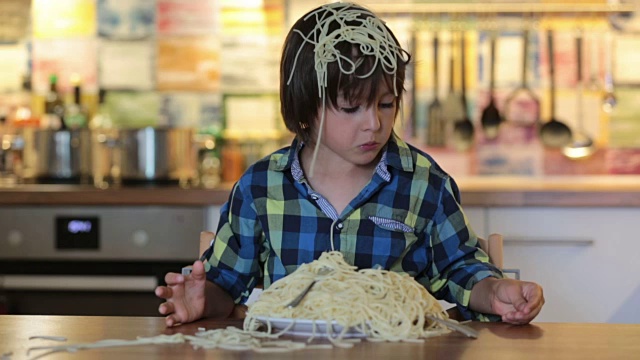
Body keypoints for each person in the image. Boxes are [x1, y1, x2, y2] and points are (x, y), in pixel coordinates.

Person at [155, 2, 544, 327]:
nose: (373, 123)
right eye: (351, 107)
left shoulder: (423, 182)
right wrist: (203, 299)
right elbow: (226, 284)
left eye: (386, 104)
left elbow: (460, 268)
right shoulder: (261, 188)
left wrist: (494, 293)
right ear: (306, 108)